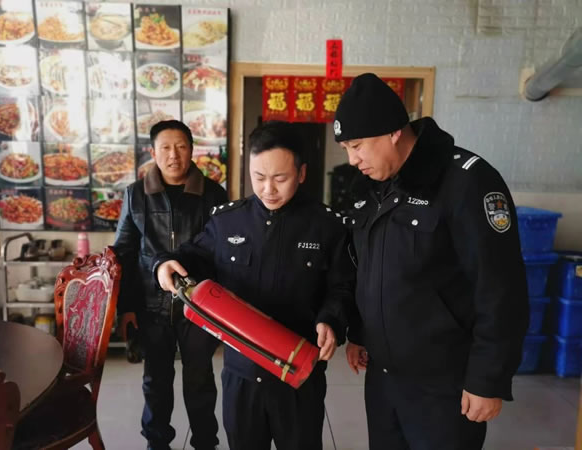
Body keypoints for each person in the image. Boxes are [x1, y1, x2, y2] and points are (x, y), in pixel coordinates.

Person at [334, 73, 529, 450]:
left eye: (357, 146)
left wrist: (487, 379)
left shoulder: (466, 182)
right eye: (346, 148)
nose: (352, 159)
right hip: (384, 380)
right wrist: (359, 333)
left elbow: (500, 287)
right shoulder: (371, 186)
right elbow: (367, 268)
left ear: (393, 132)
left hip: (444, 384)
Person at [152, 120, 355, 450]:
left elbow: (342, 286)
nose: (268, 189)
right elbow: (192, 256)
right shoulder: (228, 221)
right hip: (242, 374)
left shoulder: (326, 226)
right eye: (258, 177)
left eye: (280, 178)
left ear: (302, 173)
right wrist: (164, 263)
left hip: (298, 371)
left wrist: (331, 320)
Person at [113, 120, 227, 450]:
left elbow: (222, 253)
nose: (173, 155)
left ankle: (205, 443)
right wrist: (126, 309)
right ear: (153, 152)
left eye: (181, 147)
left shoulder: (213, 194)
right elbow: (124, 254)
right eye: (165, 147)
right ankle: (157, 443)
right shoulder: (135, 195)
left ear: (192, 150)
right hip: (151, 307)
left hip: (199, 306)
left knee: (200, 380)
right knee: (156, 381)